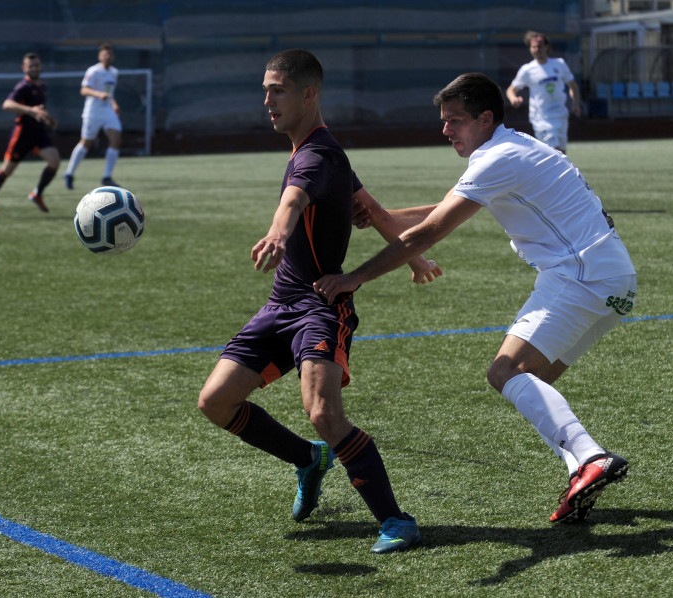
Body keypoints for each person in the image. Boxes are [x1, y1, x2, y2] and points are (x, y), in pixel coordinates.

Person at [315, 72, 636, 524]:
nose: (446, 130)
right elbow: (448, 207)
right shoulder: (513, 147)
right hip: (615, 278)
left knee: (505, 371)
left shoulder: (496, 158)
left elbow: (431, 230)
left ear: (486, 119)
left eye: (456, 121)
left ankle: (590, 458)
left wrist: (356, 277)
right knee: (535, 383)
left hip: (580, 272)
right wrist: (381, 215)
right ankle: (580, 469)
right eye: (444, 121)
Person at [197, 49, 441, 554]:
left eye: (277, 90)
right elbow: (371, 211)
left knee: (324, 412)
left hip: (321, 306)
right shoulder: (323, 152)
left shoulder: (315, 156)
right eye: (264, 89)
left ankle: (396, 521)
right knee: (216, 401)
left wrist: (276, 232)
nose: (267, 100)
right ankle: (307, 459)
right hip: (281, 302)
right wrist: (417, 257)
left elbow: (292, 201)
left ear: (309, 94)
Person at [0, 53, 60, 219]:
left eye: (36, 65)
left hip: (39, 133)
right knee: (7, 170)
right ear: (24, 68)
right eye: (30, 66)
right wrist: (30, 111)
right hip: (22, 134)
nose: (34, 68)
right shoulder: (23, 86)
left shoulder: (42, 87)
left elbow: (39, 111)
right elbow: (7, 104)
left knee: (55, 161)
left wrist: (48, 120)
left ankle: (37, 194)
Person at [505, 31, 581, 153]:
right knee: (554, 151)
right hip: (541, 118)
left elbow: (573, 86)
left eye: (539, 46)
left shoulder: (559, 64)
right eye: (533, 47)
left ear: (546, 47)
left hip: (561, 116)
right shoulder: (527, 70)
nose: (536, 50)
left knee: (562, 154)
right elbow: (511, 90)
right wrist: (514, 98)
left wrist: (576, 104)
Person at [63, 43, 122, 189]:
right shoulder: (93, 71)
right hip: (93, 112)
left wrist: (113, 103)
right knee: (86, 143)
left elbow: (110, 92)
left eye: (110, 54)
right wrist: (98, 94)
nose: (107, 56)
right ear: (99, 56)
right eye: (105, 54)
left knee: (116, 140)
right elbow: (84, 90)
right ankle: (69, 173)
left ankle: (107, 177)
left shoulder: (114, 72)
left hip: (108, 111)